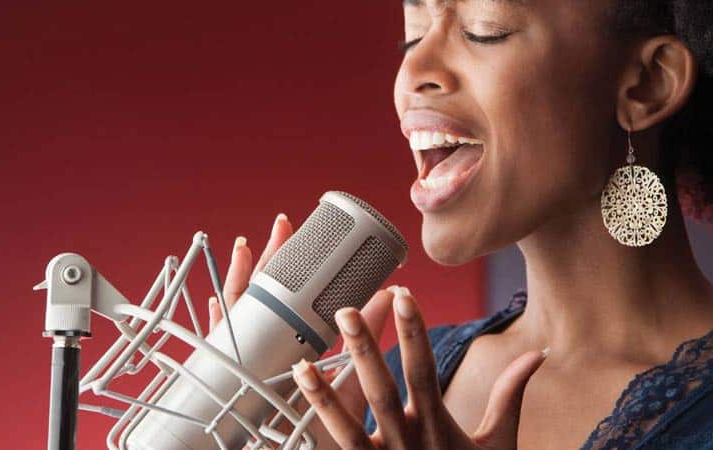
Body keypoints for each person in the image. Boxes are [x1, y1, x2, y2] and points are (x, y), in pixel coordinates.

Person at [210, 0, 713, 448]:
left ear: (648, 83)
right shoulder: (391, 389)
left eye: (484, 29)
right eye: (413, 33)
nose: (415, 69)